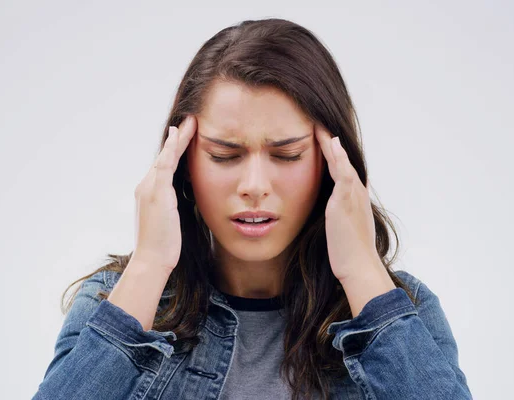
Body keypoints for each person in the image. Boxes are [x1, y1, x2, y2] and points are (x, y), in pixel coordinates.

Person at [33, 18, 472, 400]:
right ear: (183, 163)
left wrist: (361, 271)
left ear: (331, 162)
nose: (255, 187)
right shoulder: (112, 301)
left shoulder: (403, 310)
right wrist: (148, 267)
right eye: (225, 155)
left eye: (286, 155)